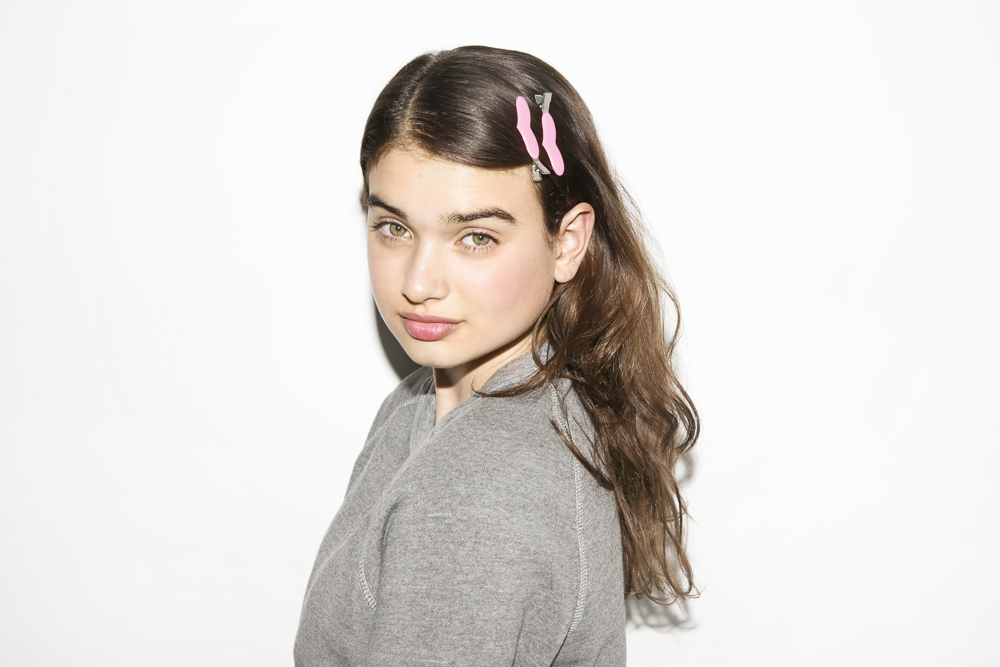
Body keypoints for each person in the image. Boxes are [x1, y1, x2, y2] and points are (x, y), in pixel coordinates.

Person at [294, 45, 699, 666]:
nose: (418, 283)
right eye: (394, 227)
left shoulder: (477, 485)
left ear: (567, 243)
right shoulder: (422, 401)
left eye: (476, 237)